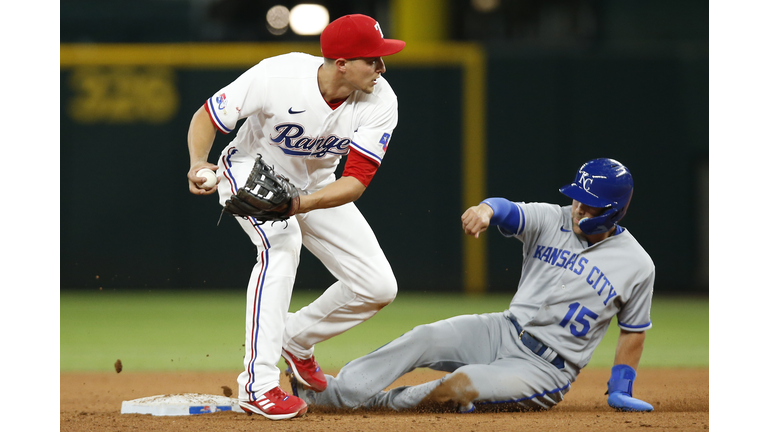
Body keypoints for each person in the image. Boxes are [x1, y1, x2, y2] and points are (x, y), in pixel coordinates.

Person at [289, 158, 655, 413]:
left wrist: (621, 388)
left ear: (614, 210)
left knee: (460, 385)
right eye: (577, 198)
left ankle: (375, 408)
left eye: (590, 206)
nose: (578, 209)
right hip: (501, 330)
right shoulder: (552, 218)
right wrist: (486, 210)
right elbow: (508, 209)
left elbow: (633, 331)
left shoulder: (637, 265)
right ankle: (336, 394)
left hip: (545, 369)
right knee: (424, 337)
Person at [186, 14, 406, 420]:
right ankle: (257, 384)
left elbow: (355, 182)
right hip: (251, 171)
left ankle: (295, 338)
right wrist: (199, 162)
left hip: (315, 186)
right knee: (282, 244)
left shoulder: (381, 100)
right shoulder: (280, 74)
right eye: (372, 59)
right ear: (341, 63)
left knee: (378, 286)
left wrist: (299, 204)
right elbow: (207, 117)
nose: (382, 67)